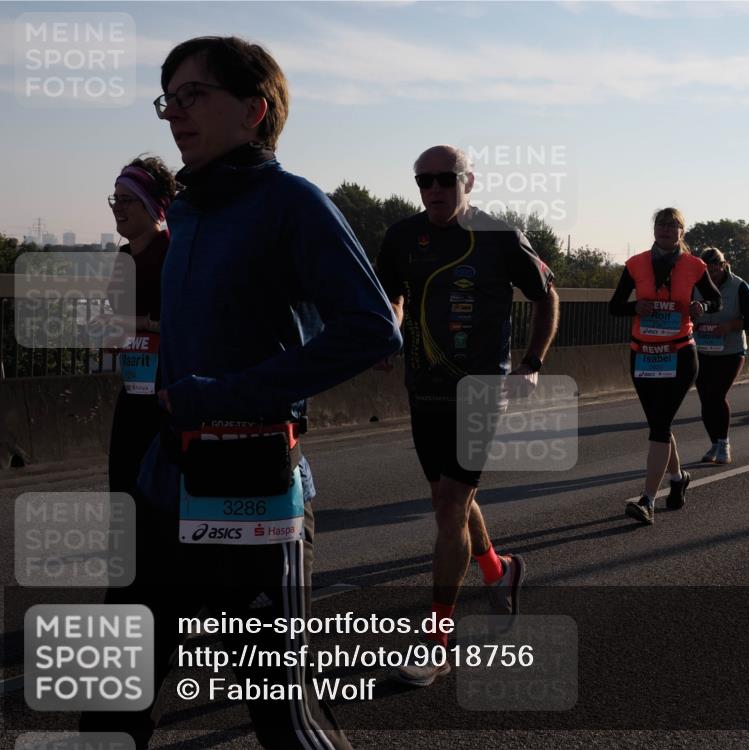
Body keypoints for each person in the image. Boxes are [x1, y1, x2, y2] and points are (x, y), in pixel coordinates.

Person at [81, 36, 401, 750]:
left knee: (283, 720)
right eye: (168, 98)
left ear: (255, 109)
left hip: (250, 489)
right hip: (163, 483)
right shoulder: (188, 212)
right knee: (107, 696)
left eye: (194, 95)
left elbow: (373, 330)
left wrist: (230, 393)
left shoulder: (294, 203)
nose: (174, 113)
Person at [376, 144, 558, 686]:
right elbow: (392, 296)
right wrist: (391, 328)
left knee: (451, 504)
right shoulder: (402, 237)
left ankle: (438, 642)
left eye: (445, 179)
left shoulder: (500, 237)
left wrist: (531, 364)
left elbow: (548, 297)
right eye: (423, 180)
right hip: (424, 387)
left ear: (468, 180)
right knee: (447, 498)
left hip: (481, 390)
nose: (434, 189)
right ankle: (500, 572)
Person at [609, 207, 721, 525]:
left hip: (680, 354)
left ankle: (647, 500)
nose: (666, 229)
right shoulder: (635, 264)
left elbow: (716, 300)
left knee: (659, 426)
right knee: (660, 424)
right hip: (642, 354)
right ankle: (678, 477)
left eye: (673, 225)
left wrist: (702, 305)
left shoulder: (694, 266)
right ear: (654, 230)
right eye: (661, 224)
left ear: (681, 233)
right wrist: (636, 306)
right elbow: (614, 306)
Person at [106, 156, 176, 495]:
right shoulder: (122, 259)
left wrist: (139, 324)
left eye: (126, 199)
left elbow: (176, 323)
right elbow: (113, 328)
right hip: (133, 391)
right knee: (123, 491)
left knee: (159, 499)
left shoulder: (172, 253)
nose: (117, 207)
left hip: (168, 393)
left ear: (151, 204)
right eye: (114, 199)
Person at [692, 247, 749, 464]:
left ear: (723, 265)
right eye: (706, 272)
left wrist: (730, 325)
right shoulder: (694, 284)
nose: (711, 276)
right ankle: (714, 443)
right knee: (705, 397)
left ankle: (724, 443)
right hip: (701, 348)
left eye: (715, 270)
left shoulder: (739, 286)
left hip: (730, 350)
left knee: (717, 395)